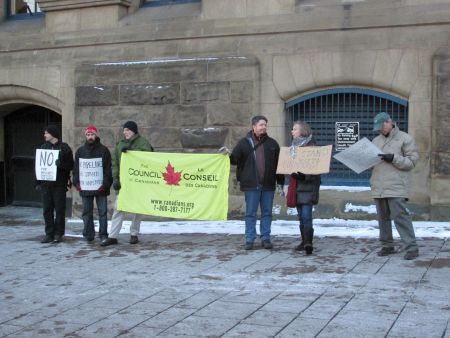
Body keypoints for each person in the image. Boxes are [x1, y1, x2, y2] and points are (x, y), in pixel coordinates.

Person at [223, 116, 281, 250]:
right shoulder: (244, 143)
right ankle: (250, 239)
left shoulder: (272, 144)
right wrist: (228, 155)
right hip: (251, 185)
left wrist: (280, 182)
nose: (264, 127)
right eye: (261, 125)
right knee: (251, 213)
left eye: (265, 125)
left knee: (267, 213)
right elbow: (235, 160)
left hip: (268, 184)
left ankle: (265, 238)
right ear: (253, 127)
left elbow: (279, 165)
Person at [371, 112, 420, 260]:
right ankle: (387, 246)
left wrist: (394, 158)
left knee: (400, 217)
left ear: (389, 122)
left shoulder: (405, 138)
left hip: (396, 185)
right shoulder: (376, 141)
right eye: (378, 128)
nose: (380, 130)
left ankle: (411, 247)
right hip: (378, 185)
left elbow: (412, 162)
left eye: (382, 127)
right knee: (382, 218)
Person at [101, 121, 153, 246]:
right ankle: (113, 236)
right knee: (118, 208)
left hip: (139, 182)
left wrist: (132, 151)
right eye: (124, 130)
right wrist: (115, 178)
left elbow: (149, 157)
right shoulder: (120, 144)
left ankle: (134, 234)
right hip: (124, 182)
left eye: (127, 130)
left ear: (134, 131)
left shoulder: (143, 143)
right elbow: (115, 163)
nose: (125, 132)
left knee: (137, 209)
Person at [72, 125, 112, 242]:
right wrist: (77, 182)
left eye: (92, 134)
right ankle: (89, 234)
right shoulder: (80, 151)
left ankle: (103, 234)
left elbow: (107, 169)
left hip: (101, 188)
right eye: (88, 135)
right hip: (86, 187)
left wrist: (104, 185)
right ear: (85, 136)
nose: (90, 137)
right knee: (87, 212)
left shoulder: (104, 150)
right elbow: (76, 169)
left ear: (96, 135)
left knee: (103, 212)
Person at [35, 125, 74, 243]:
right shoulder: (43, 147)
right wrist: (37, 182)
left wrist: (60, 164)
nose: (45, 135)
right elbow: (38, 166)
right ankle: (49, 233)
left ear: (53, 134)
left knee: (60, 209)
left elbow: (71, 165)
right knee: (47, 209)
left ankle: (59, 233)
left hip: (59, 184)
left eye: (46, 133)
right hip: (46, 184)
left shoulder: (64, 148)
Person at [289, 121, 321, 255]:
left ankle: (308, 243)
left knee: (307, 216)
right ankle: (304, 241)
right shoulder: (293, 147)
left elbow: (316, 171)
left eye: (295, 129)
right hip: (297, 186)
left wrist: (303, 176)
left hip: (308, 188)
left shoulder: (312, 147)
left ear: (303, 131)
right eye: (292, 129)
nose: (292, 131)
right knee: (301, 216)